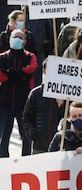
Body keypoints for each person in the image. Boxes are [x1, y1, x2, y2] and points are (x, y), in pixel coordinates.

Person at [0, 29, 37, 157]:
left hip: (24, 103)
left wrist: (12, 72)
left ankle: (25, 160)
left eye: (21, 37)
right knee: (3, 136)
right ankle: (3, 160)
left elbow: (30, 70)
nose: (17, 39)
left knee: (26, 136)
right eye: (15, 36)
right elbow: (2, 76)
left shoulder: (30, 56)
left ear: (25, 41)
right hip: (5, 102)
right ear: (10, 39)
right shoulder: (2, 57)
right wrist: (18, 73)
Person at [22, 60, 64, 154]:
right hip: (39, 146)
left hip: (59, 146)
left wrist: (62, 105)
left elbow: (68, 117)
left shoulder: (64, 95)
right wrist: (34, 134)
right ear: (44, 71)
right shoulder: (36, 94)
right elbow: (26, 118)